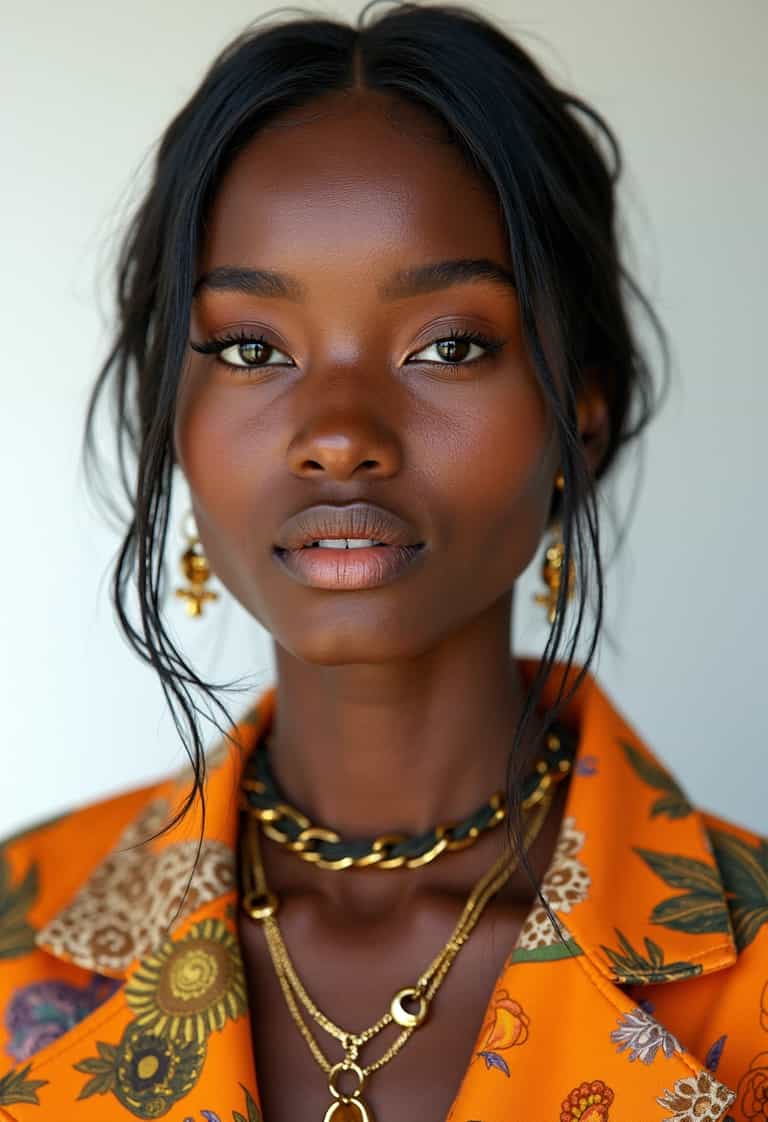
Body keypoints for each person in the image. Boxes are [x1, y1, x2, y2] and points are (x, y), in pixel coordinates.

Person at [0, 4, 764, 1120]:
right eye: (253, 348)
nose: (340, 431)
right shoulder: (17, 948)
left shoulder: (746, 978)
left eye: (447, 345)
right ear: (173, 415)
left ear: (580, 413)